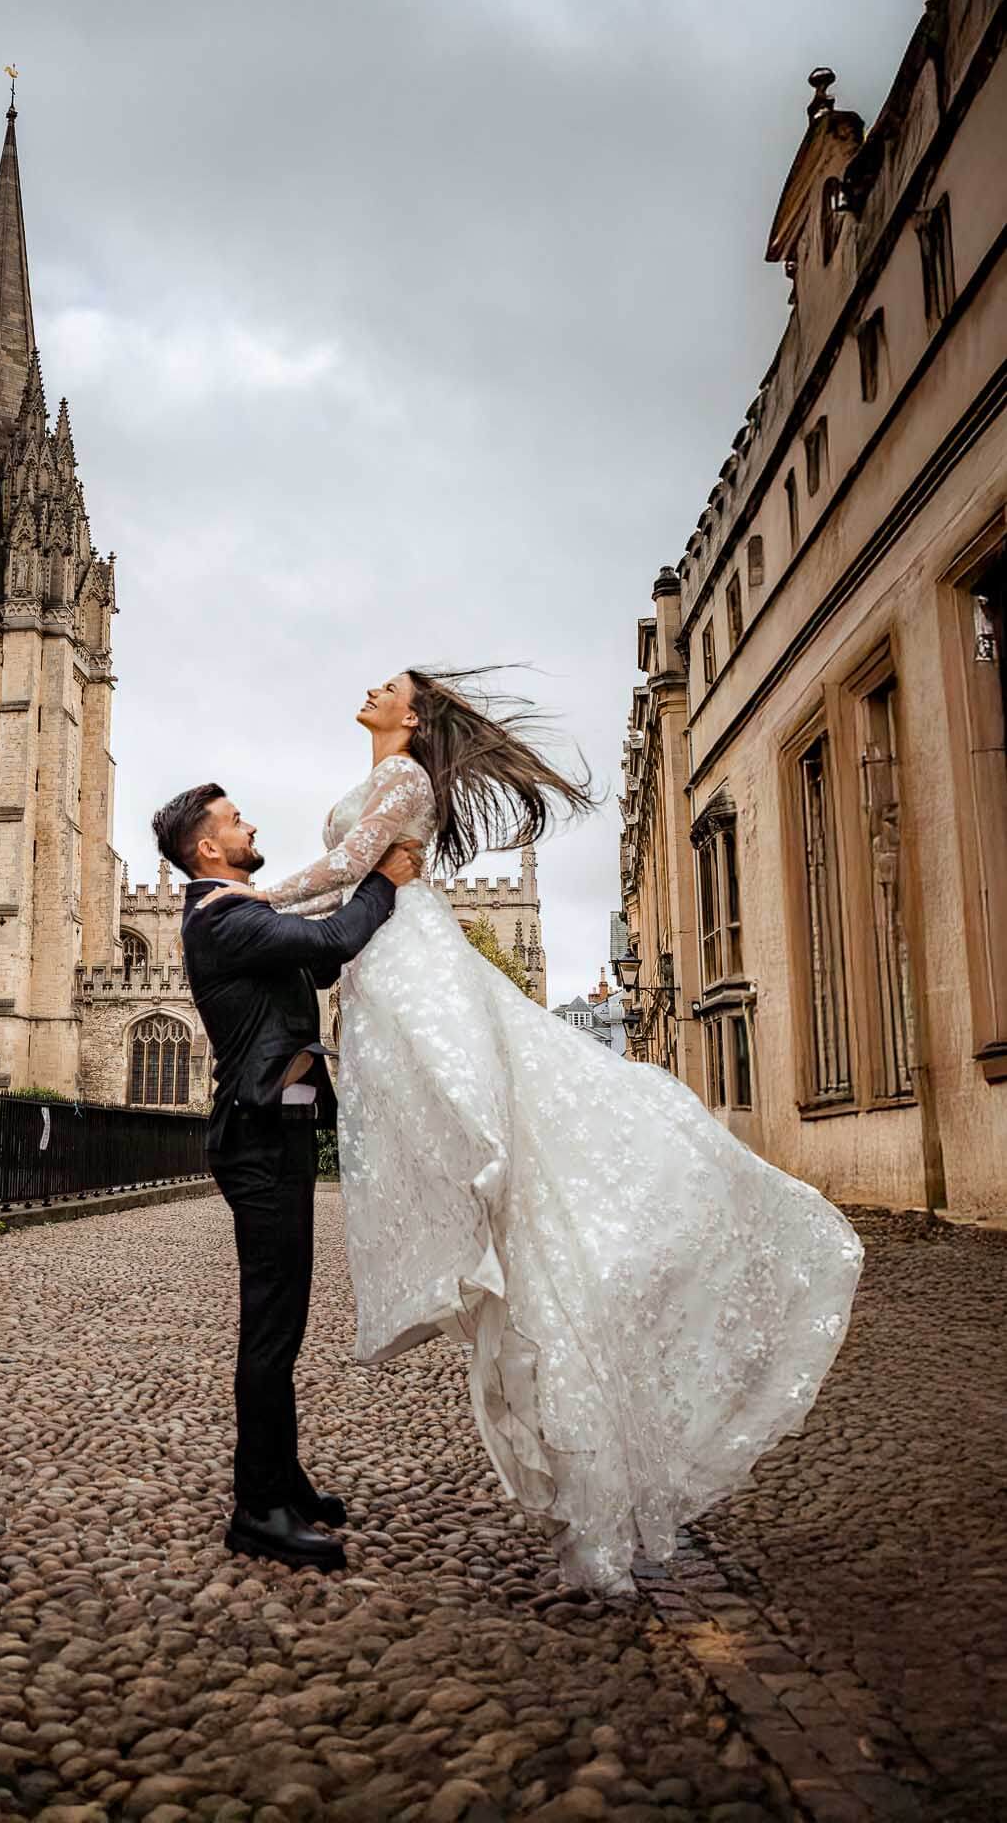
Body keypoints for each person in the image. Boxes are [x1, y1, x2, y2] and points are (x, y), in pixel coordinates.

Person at [196, 670, 864, 1594]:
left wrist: (260, 904)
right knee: (476, 1136)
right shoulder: (353, 808)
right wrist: (264, 912)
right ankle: (283, 1472)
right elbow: (341, 902)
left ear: (414, 714)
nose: (368, 688)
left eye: (386, 686)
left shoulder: (403, 782)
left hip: (401, 950)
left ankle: (480, 1217)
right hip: (375, 964)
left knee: (494, 1128)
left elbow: (352, 868)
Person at [152, 781, 421, 1574]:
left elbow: (320, 967)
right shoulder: (225, 917)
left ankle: (283, 1480)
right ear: (207, 849)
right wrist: (383, 881)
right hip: (260, 1143)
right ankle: (256, 1510)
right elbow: (334, 942)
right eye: (236, 822)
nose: (250, 825)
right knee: (270, 1332)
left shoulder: (244, 916)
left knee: (286, 1325)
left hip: (281, 1134)